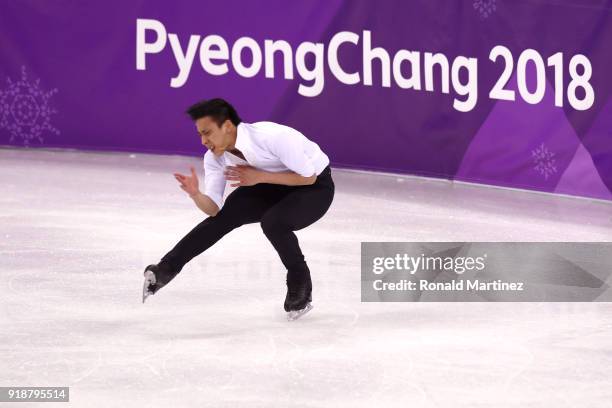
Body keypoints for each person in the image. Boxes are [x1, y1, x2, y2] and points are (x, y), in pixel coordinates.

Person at [142, 98, 335, 320]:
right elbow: (213, 209)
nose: (204, 141)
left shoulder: (272, 137)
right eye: (200, 135)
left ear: (227, 127)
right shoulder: (214, 158)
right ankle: (165, 269)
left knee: (274, 222)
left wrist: (259, 176)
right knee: (224, 217)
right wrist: (196, 194)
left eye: (208, 133)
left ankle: (299, 280)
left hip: (314, 188)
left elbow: (308, 177)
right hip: (267, 186)